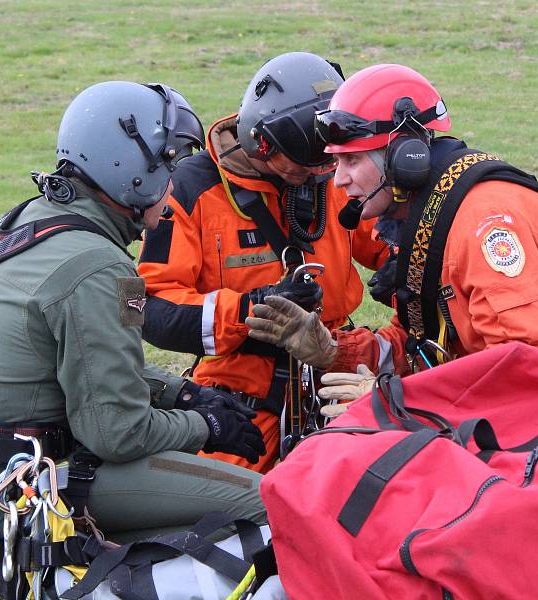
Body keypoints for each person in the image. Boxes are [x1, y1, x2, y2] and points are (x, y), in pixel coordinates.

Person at [0, 81, 267, 594]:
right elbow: (118, 432)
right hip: (22, 484)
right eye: (166, 166)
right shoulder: (99, 266)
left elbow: (85, 359)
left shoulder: (35, 219)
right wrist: (204, 425)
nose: (173, 187)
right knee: (264, 506)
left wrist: (185, 392)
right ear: (131, 168)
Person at [246, 63, 538, 420]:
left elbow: (531, 367)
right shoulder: (427, 214)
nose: (339, 180)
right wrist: (333, 351)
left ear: (404, 156)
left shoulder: (485, 223)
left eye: (351, 162)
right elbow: (422, 345)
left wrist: (398, 403)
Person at [138, 52, 389, 473]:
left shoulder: (329, 173)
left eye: (331, 160)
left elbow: (388, 243)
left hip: (337, 377)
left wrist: (408, 268)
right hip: (241, 400)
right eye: (308, 164)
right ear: (263, 142)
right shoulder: (189, 191)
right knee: (226, 518)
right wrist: (257, 308)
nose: (322, 173)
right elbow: (152, 308)